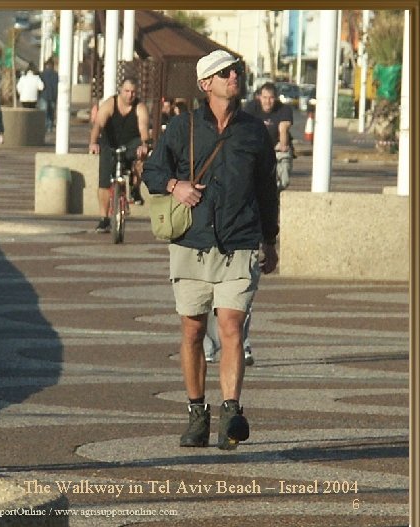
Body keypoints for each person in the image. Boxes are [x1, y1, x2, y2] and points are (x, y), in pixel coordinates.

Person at [141, 50, 278, 451]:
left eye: (236, 70)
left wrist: (270, 240)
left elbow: (267, 190)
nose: (235, 75)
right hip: (192, 244)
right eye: (225, 72)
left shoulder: (254, 132)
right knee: (193, 330)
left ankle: (232, 411)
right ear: (206, 85)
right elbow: (153, 172)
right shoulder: (182, 127)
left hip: (239, 242)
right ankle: (196, 413)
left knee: (232, 325)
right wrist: (175, 186)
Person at [88, 77, 150, 232]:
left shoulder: (140, 107)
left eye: (133, 92)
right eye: (127, 91)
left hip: (131, 143)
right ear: (120, 91)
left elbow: (143, 129)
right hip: (110, 144)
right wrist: (93, 142)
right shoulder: (110, 104)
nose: (130, 95)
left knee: (141, 157)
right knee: (104, 181)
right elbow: (98, 125)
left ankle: (135, 188)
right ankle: (104, 219)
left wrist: (144, 145)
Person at [244, 82, 294, 190]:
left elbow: (284, 136)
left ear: (276, 98)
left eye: (271, 98)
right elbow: (245, 129)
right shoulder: (251, 107)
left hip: (277, 148)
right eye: (265, 97)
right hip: (258, 148)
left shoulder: (284, 109)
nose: (267, 101)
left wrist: (283, 137)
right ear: (259, 97)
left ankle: (275, 193)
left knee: (283, 181)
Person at [39, 59, 59, 132]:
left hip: (44, 96)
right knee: (51, 113)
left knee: (44, 113)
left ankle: (44, 127)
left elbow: (40, 86)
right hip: (53, 96)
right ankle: (49, 127)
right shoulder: (56, 75)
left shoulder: (42, 74)